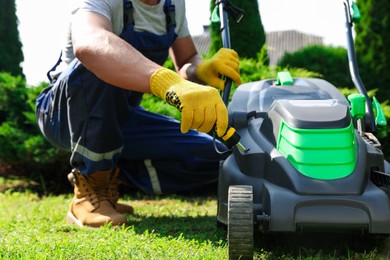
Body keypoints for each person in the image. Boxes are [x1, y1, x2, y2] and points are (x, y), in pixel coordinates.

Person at [35, 0, 241, 228]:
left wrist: (200, 69)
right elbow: (88, 42)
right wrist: (165, 81)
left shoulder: (173, 6)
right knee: (99, 57)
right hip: (63, 114)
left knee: (217, 155)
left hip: (123, 116)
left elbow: (186, 60)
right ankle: (88, 192)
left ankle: (109, 178)